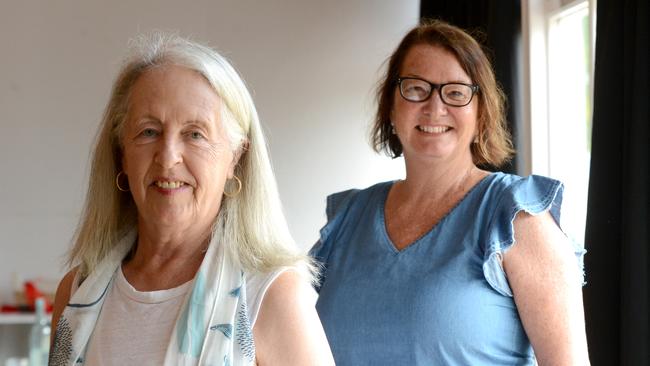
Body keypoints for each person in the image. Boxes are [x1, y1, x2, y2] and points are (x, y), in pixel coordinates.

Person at [311, 20, 589, 365]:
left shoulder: (518, 218)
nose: (434, 107)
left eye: (455, 92)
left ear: (481, 115)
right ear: (391, 108)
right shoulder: (348, 217)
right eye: (415, 89)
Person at [49, 33, 334, 366]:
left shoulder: (273, 295)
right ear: (121, 155)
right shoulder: (76, 292)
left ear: (235, 158)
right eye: (148, 131)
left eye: (195, 134)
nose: (168, 157)